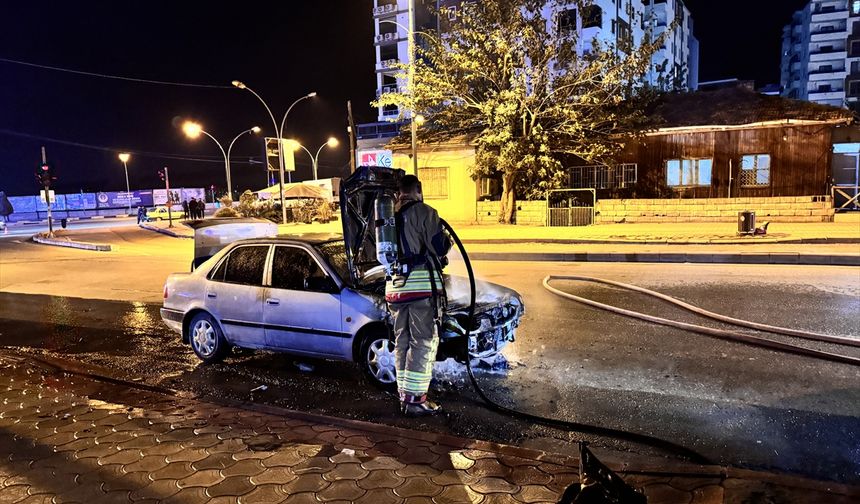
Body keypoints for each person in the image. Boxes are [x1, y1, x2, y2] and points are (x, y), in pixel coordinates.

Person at [386, 175, 452, 417]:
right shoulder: (425, 212)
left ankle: (404, 396)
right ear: (418, 190)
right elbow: (439, 247)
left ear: (399, 193)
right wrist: (446, 239)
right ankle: (415, 402)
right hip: (420, 288)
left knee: (402, 341)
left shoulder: (386, 215)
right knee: (423, 341)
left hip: (394, 288)